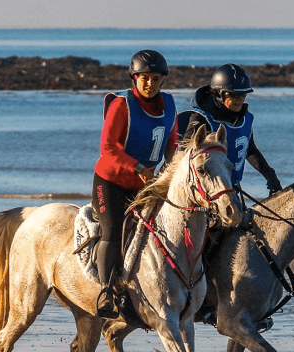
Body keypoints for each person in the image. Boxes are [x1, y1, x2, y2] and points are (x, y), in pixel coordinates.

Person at [92, 49, 178, 318]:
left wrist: (174, 168)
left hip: (145, 184)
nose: (150, 84)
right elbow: (108, 148)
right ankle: (106, 291)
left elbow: (172, 143)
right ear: (135, 79)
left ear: (162, 80)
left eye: (155, 78)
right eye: (144, 78)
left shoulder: (170, 105)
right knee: (114, 229)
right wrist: (138, 167)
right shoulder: (121, 105)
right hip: (111, 183)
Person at [178, 63, 281, 196]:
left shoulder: (245, 120)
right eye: (234, 95)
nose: (240, 99)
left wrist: (270, 176)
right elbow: (181, 160)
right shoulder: (200, 120)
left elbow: (249, 150)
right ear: (219, 94)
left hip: (230, 191)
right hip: (203, 194)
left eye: (243, 94)